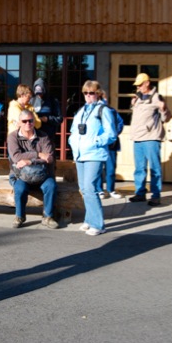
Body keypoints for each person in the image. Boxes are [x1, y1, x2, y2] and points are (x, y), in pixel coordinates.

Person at [68, 80, 118, 236]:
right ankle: (89, 220)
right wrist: (72, 142)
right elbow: (74, 130)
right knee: (84, 189)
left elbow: (111, 134)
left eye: (91, 93)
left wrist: (96, 141)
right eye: (85, 93)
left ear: (98, 93)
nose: (88, 96)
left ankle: (98, 224)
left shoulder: (103, 110)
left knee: (90, 188)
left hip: (94, 154)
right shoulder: (81, 111)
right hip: (80, 154)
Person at [7, 109, 59, 229]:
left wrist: (29, 161)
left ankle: (48, 217)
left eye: (30, 120)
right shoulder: (13, 137)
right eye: (24, 121)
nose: (27, 124)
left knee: (51, 186)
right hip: (20, 175)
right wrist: (38, 155)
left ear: (34, 121)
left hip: (42, 174)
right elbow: (16, 157)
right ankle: (20, 216)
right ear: (19, 122)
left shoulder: (43, 136)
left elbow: (50, 158)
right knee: (19, 188)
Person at [127, 73, 172, 206]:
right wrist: (132, 105)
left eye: (140, 84)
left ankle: (156, 195)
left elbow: (166, 118)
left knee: (154, 168)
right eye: (137, 85)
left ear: (147, 83)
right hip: (137, 138)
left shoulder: (157, 97)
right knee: (139, 168)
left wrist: (163, 109)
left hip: (151, 138)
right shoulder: (138, 98)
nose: (138, 87)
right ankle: (140, 193)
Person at [94, 90, 125, 199]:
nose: (104, 99)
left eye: (104, 97)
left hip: (111, 144)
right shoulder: (94, 111)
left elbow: (120, 123)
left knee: (110, 168)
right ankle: (99, 190)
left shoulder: (112, 111)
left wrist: (114, 133)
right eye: (101, 97)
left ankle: (111, 189)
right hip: (98, 144)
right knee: (97, 168)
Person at [29, 78, 63, 143]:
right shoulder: (32, 100)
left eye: (41, 93)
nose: (39, 95)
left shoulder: (53, 101)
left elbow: (60, 119)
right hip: (34, 137)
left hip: (48, 137)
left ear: (44, 90)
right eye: (37, 93)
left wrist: (48, 119)